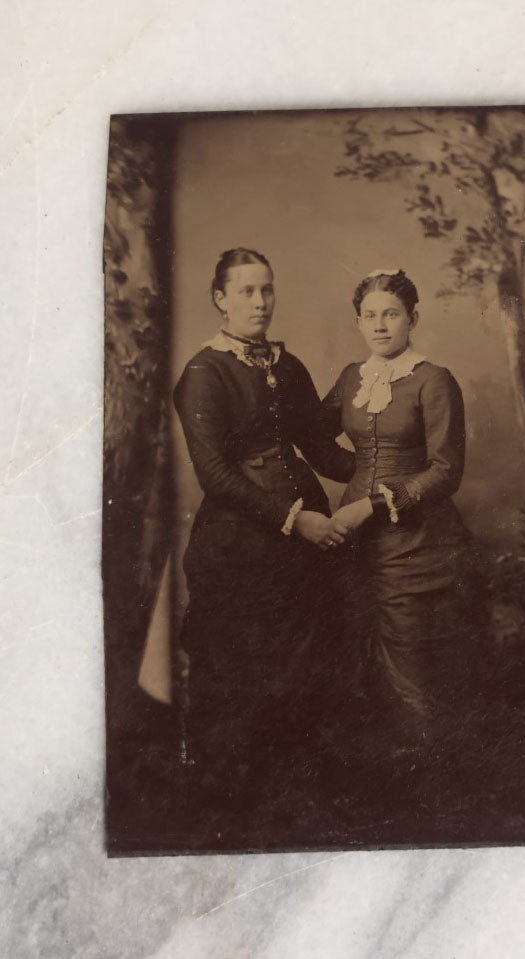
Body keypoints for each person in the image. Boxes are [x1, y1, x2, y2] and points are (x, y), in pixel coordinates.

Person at [173, 248, 354, 808]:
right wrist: (294, 522)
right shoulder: (204, 372)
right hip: (240, 548)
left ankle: (296, 800)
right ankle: (233, 803)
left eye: (267, 290)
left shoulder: (286, 365)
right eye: (247, 291)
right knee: (242, 675)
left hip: (305, 548)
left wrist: (386, 474)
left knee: (307, 668)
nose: (260, 301)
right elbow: (216, 475)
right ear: (220, 300)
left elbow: (322, 450)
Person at [322, 269, 488, 772]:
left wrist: (369, 502)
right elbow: (313, 434)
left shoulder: (434, 380)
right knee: (356, 647)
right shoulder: (353, 377)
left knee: (413, 658)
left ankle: (430, 775)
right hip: (357, 542)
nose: (379, 325)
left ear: (412, 318)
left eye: (390, 314)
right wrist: (354, 477)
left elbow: (446, 471)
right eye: (369, 316)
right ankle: (377, 780)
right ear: (358, 322)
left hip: (417, 542)